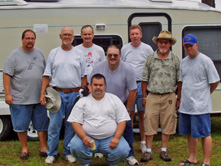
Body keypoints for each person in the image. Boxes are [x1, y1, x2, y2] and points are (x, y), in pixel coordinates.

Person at [40, 26, 87, 164]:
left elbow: (84, 76)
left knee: (71, 125)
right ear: (60, 37)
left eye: (69, 34)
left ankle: (67, 151)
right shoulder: (54, 53)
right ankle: (52, 153)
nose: (67, 37)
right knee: (54, 125)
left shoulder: (79, 54)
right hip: (57, 94)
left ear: (73, 37)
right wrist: (43, 93)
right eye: (64, 34)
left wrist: (83, 94)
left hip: (74, 94)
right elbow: (46, 75)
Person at [3, 29, 48, 160]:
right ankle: (24, 149)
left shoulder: (39, 54)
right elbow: (6, 75)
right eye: (27, 38)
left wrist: (47, 92)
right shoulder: (14, 55)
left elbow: (45, 74)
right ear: (22, 39)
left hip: (39, 98)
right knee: (21, 126)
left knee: (42, 124)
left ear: (35, 40)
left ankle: (43, 148)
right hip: (20, 98)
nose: (30, 41)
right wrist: (7, 94)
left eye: (32, 38)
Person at [90, 45, 139, 165]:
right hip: (101, 103)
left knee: (126, 127)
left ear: (120, 56)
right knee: (101, 126)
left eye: (115, 55)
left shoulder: (128, 69)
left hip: (121, 104)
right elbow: (90, 85)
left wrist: (128, 109)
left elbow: (133, 90)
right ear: (106, 56)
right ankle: (100, 150)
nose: (112, 57)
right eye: (110, 55)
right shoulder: (98, 67)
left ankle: (129, 154)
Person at [67, 73, 130, 166]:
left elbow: (122, 120)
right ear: (91, 86)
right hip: (88, 138)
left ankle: (112, 163)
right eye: (95, 85)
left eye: (101, 85)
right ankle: (85, 163)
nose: (98, 87)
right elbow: (75, 122)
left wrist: (116, 138)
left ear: (105, 86)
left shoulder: (114, 99)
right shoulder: (83, 102)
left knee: (124, 149)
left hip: (110, 138)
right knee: (75, 146)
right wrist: (84, 137)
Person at [178, 34, 220, 166]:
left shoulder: (205, 61)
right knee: (190, 133)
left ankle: (206, 162)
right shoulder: (183, 62)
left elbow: (215, 81)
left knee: (205, 133)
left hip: (200, 106)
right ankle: (192, 158)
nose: (188, 48)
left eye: (191, 45)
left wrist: (206, 94)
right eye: (186, 46)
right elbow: (181, 81)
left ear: (196, 45)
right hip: (186, 105)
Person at [141, 30, 180, 162]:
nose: (163, 44)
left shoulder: (175, 58)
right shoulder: (150, 58)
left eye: (166, 42)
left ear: (170, 44)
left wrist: (178, 97)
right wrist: (144, 96)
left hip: (169, 95)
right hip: (152, 95)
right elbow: (144, 78)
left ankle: (164, 151)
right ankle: (148, 151)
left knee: (167, 123)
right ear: (157, 43)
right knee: (149, 121)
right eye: (161, 42)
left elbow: (179, 80)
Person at [121, 25, 153, 153]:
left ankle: (143, 142)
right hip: (128, 86)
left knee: (142, 114)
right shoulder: (125, 49)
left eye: (136, 34)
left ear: (141, 35)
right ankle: (128, 142)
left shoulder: (147, 48)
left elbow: (151, 66)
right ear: (130, 35)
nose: (134, 36)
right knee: (129, 114)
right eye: (132, 34)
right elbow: (122, 66)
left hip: (142, 84)